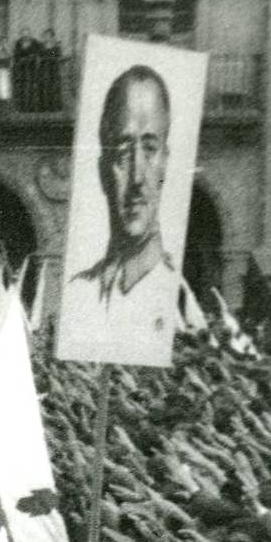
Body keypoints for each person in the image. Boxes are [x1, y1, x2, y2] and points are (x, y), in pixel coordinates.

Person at [62, 64, 181, 347]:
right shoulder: (79, 291)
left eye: (150, 149)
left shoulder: (173, 294)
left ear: (165, 162)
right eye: (123, 152)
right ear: (104, 171)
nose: (137, 177)